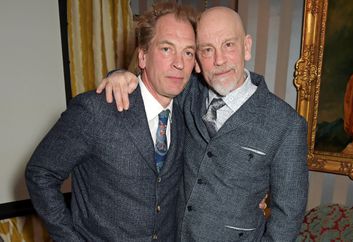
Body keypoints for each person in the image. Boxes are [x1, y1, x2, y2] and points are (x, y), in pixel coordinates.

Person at [98, 6, 309, 241]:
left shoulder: (286, 124)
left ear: (246, 47)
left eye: (228, 45)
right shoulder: (185, 93)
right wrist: (118, 75)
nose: (219, 60)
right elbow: (151, 79)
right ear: (197, 61)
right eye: (207, 50)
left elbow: (288, 217)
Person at [25, 3, 197, 241]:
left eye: (188, 52)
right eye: (167, 49)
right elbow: (40, 173)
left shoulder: (186, 115)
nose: (179, 63)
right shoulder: (96, 110)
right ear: (143, 56)